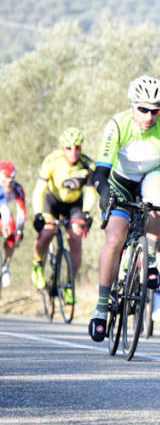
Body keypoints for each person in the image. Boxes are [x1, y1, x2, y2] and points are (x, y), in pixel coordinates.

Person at [88, 76, 160, 341]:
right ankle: (101, 306)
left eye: (156, 110)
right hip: (120, 183)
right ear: (133, 106)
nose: (149, 115)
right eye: (143, 109)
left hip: (150, 178)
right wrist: (105, 192)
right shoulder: (118, 125)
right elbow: (100, 173)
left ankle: (151, 258)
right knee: (114, 238)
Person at [30, 127, 97, 302]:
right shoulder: (52, 161)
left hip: (74, 204)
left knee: (75, 239)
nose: (73, 152)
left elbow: (91, 193)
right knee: (48, 231)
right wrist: (38, 214)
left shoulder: (88, 165)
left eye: (77, 147)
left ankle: (69, 284)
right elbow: (39, 190)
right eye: (69, 148)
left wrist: (87, 213)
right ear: (62, 148)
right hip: (52, 202)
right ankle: (37, 264)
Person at [0, 161, 27, 289]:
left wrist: (20, 230)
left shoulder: (17, 189)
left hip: (5, 213)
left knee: (13, 231)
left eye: (11, 180)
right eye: (5, 181)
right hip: (2, 210)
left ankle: (6, 266)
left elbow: (22, 211)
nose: (8, 184)